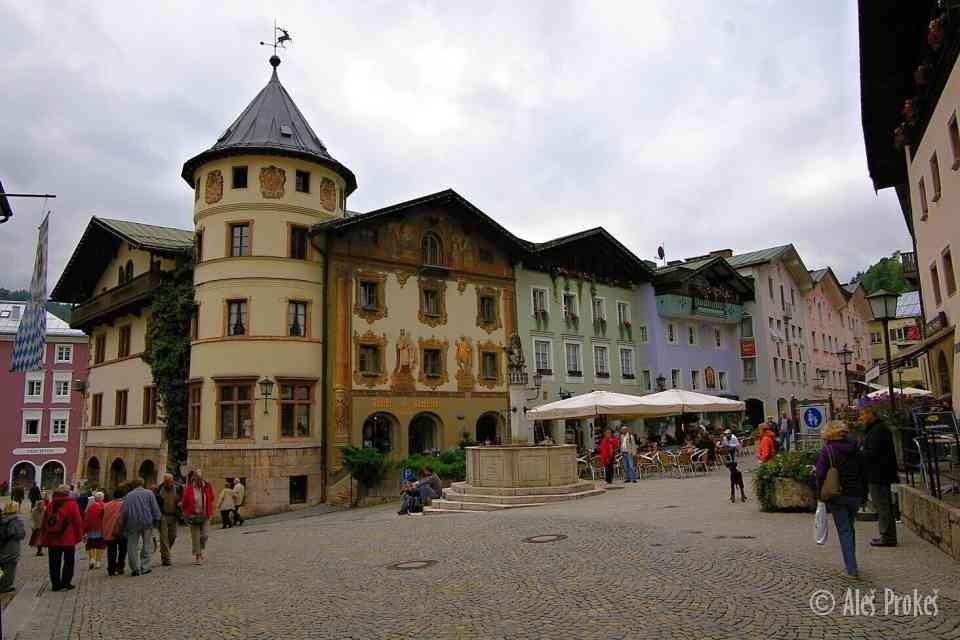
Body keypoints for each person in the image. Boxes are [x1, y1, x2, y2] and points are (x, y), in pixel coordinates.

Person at [815, 421, 868, 577]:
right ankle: (851, 563)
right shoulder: (856, 450)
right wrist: (864, 494)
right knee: (849, 528)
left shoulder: (828, 450)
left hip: (836, 495)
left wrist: (819, 496)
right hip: (855, 494)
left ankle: (851, 568)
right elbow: (864, 473)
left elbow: (820, 474)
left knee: (844, 530)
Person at [861, 406, 899, 547]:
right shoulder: (876, 429)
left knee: (882, 505)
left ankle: (887, 536)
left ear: (871, 414)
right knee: (883, 504)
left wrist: (861, 454)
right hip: (878, 473)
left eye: (864, 414)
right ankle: (886, 534)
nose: (862, 418)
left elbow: (873, 453)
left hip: (878, 473)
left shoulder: (878, 430)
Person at [40, 485, 84, 591]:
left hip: (53, 538)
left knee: (54, 562)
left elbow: (45, 522)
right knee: (68, 561)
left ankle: (55, 584)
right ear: (68, 493)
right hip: (68, 538)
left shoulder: (51, 504)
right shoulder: (72, 504)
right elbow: (77, 521)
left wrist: (44, 537)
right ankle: (65, 583)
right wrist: (79, 536)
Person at [121, 478, 161, 577]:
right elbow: (154, 507)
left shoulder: (128, 496)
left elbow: (124, 511)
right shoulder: (149, 493)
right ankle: (145, 566)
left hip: (132, 522)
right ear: (143, 484)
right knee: (147, 544)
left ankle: (135, 568)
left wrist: (123, 523)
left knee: (132, 545)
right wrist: (157, 518)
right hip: (147, 522)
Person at [181, 470, 215, 565]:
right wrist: (185, 513)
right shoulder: (188, 489)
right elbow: (184, 502)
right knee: (195, 537)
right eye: (198, 479)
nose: (200, 482)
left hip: (205, 515)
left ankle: (200, 548)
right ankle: (198, 555)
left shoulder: (206, 487)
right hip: (193, 516)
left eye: (201, 479)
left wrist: (208, 487)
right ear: (194, 479)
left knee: (205, 535)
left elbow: (212, 498)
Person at [155, 473, 181, 566]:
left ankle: (164, 552)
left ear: (172, 481)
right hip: (163, 516)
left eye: (169, 482)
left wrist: (181, 504)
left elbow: (184, 499)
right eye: (166, 482)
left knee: (173, 536)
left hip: (174, 516)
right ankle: (167, 558)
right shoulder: (159, 490)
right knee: (164, 538)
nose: (167, 484)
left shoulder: (178, 489)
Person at [0, 502, 26, 593]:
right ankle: (5, 586)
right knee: (10, 568)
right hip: (11, 547)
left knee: (2, 567)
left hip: (2, 546)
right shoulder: (16, 520)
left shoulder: (2, 518)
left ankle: (1, 583)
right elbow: (20, 534)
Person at [102, 487, 127, 576]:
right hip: (121, 532)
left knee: (111, 551)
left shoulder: (106, 505)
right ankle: (120, 567)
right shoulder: (124, 504)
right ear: (124, 495)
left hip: (108, 531)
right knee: (123, 550)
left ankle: (111, 569)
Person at [83, 491, 106, 569]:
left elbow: (86, 519)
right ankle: (98, 562)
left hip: (91, 529)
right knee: (100, 546)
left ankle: (92, 559)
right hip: (101, 529)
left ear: (95, 499)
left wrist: (84, 530)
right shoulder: (105, 506)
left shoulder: (90, 507)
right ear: (102, 498)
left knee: (91, 545)